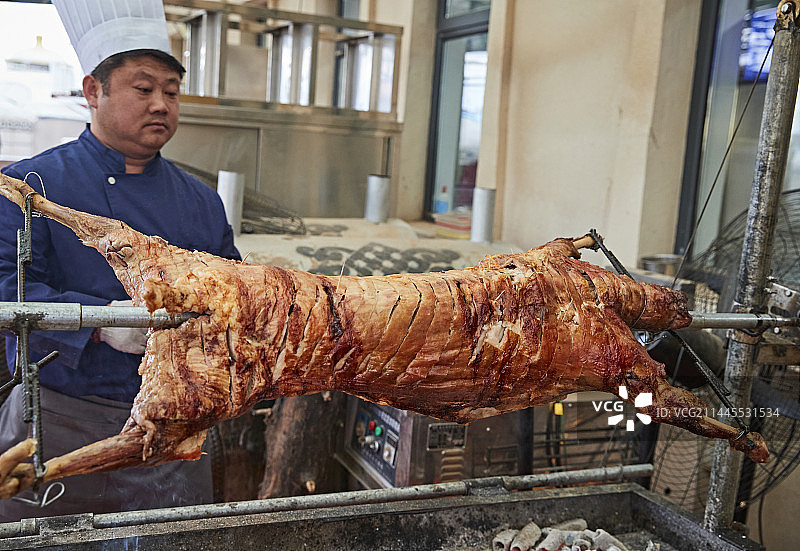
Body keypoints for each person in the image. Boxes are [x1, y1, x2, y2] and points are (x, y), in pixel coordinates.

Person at [0, 2, 239, 520]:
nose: (161, 104)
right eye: (143, 88)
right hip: (59, 419)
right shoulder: (31, 187)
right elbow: (5, 289)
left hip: (172, 427)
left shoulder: (201, 202)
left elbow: (233, 297)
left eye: (171, 92)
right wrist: (100, 323)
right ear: (93, 91)